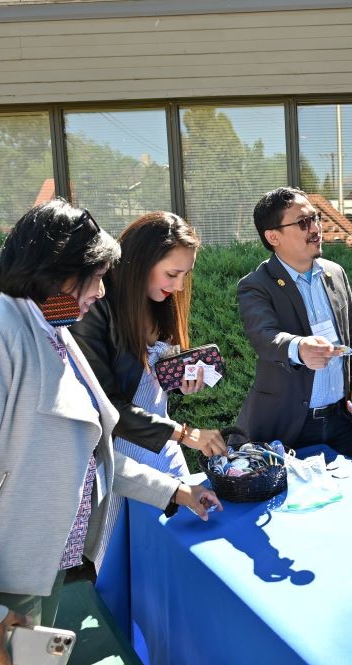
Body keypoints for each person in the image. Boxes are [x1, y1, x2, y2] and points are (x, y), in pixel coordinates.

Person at [0, 200, 221, 665]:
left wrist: (173, 491)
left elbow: (90, 454)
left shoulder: (56, 331)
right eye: (97, 276)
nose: (103, 292)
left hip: (29, 575)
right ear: (60, 273)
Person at [71, 211, 227, 568]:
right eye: (172, 274)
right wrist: (186, 434)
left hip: (163, 449)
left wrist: (180, 380)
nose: (179, 286)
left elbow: (149, 378)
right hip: (120, 459)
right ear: (140, 262)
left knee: (175, 554)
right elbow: (109, 407)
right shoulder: (95, 310)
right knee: (123, 565)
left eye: (185, 275)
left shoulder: (157, 302)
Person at [236, 187, 352, 459]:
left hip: (342, 422)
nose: (315, 228)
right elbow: (264, 337)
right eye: (303, 222)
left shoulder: (335, 273)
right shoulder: (256, 285)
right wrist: (299, 348)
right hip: (290, 428)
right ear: (273, 236)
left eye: (315, 218)